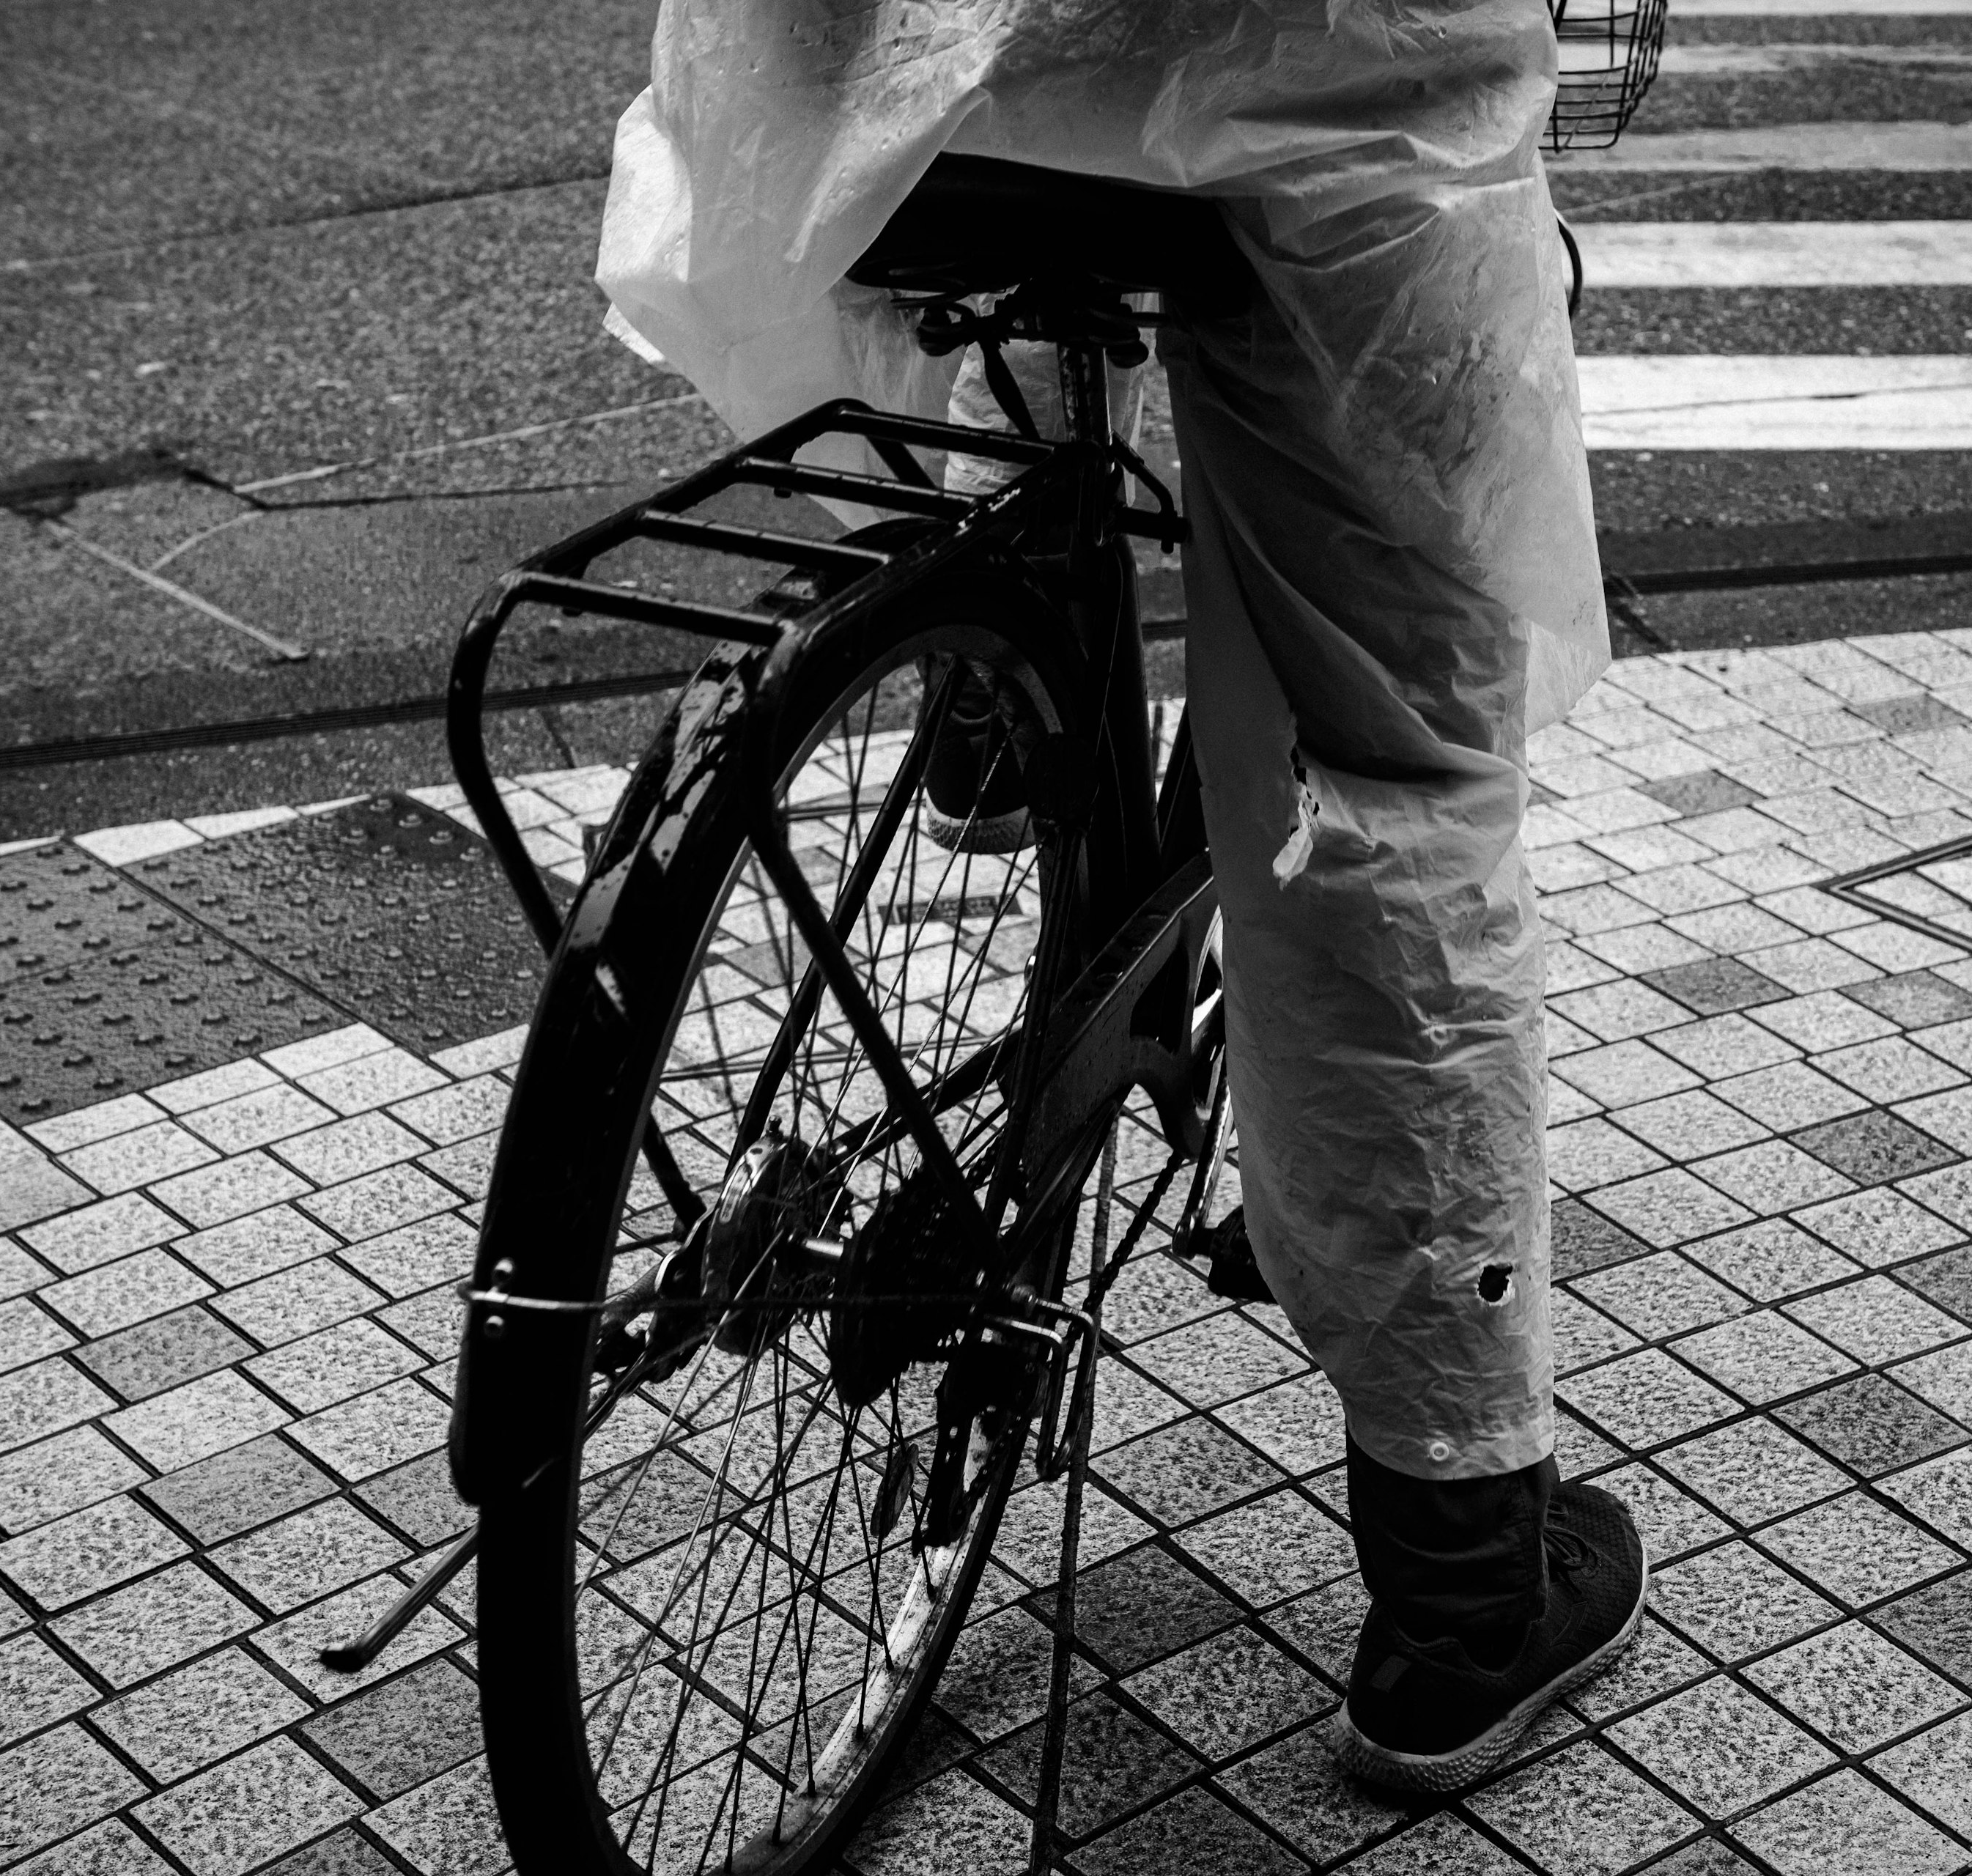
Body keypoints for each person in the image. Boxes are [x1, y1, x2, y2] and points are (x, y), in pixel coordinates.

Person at [596, 0, 1646, 1792]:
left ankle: (1007, 664)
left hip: (843, 84)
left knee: (1040, 183)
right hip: (1296, 73)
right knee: (1387, 784)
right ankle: (1464, 1584)